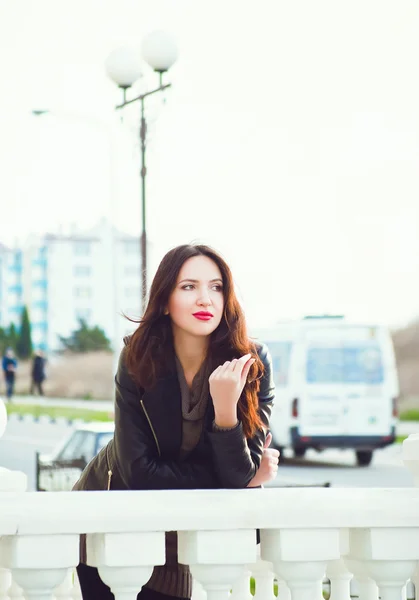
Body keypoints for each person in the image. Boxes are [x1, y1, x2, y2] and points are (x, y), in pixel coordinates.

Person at [73, 244, 279, 600]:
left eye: (216, 287)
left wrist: (226, 408)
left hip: (177, 531)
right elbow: (139, 473)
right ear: (165, 300)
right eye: (189, 287)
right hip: (112, 515)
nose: (205, 299)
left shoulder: (252, 362)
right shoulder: (137, 356)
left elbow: (238, 477)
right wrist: (241, 478)